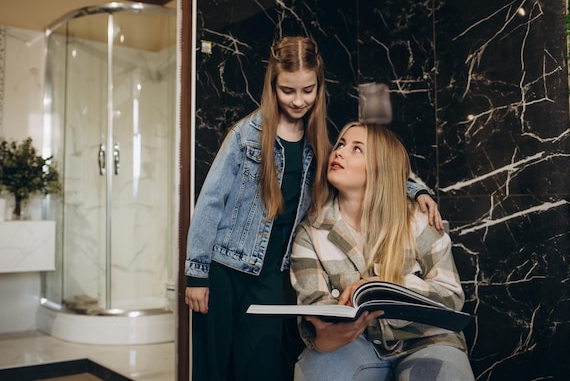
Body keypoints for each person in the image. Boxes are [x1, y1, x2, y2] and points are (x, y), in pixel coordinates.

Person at [184, 36, 443, 381]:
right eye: (288, 91)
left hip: (272, 276)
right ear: (273, 85)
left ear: (319, 86)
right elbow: (211, 201)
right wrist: (196, 275)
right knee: (212, 366)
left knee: (260, 365)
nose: (298, 100)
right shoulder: (246, 135)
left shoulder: (318, 140)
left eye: (308, 90)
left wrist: (417, 189)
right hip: (225, 267)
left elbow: (380, 158)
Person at [290, 122, 475, 381]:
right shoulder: (311, 233)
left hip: (427, 339)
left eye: (357, 149)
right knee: (318, 371)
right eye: (341, 144)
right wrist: (325, 337)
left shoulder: (418, 218)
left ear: (380, 167)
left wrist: (389, 286)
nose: (340, 152)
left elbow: (452, 297)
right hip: (355, 344)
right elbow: (313, 308)